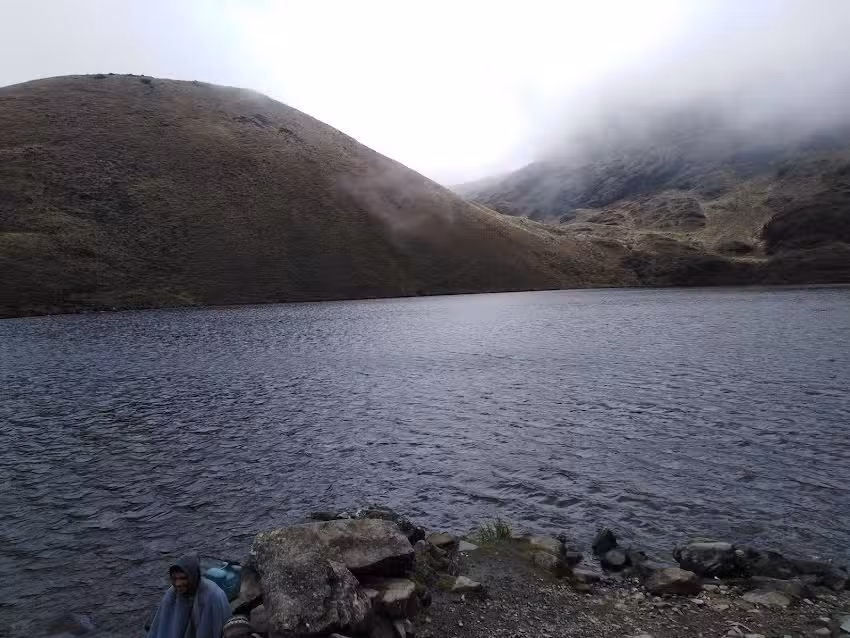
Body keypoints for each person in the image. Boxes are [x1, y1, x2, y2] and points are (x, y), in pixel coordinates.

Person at [146, 553, 231, 638]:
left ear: (193, 577)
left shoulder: (214, 596)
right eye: (174, 579)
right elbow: (160, 627)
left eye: (183, 578)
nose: (178, 583)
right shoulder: (172, 593)